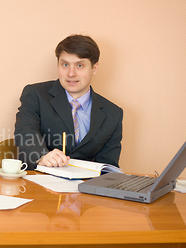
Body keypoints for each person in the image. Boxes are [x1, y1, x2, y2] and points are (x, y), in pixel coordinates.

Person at [14, 34, 123, 169]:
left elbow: (107, 167)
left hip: (85, 187)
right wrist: (42, 156)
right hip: (39, 181)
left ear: (94, 68)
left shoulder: (113, 114)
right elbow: (25, 132)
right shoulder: (35, 94)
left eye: (79, 65)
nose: (71, 73)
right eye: (65, 64)